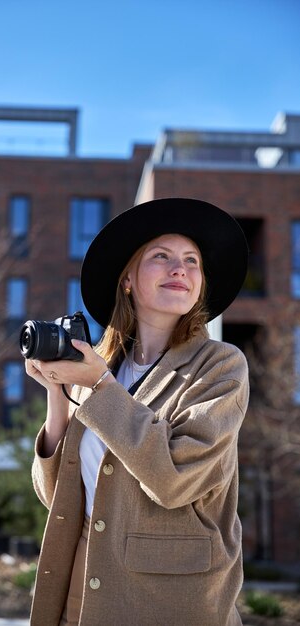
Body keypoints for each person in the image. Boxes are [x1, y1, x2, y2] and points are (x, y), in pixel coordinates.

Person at [25, 197, 250, 626]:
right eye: (161, 257)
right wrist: (59, 396)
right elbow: (58, 498)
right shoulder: (104, 367)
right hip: (81, 582)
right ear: (127, 279)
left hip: (170, 598)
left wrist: (98, 387)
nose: (179, 269)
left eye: (191, 261)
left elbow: (175, 480)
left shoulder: (220, 365)